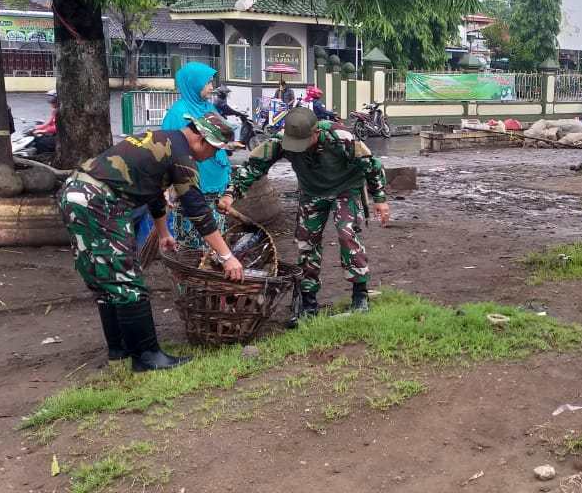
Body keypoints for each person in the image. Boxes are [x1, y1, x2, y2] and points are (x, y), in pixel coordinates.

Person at [57, 114, 242, 372]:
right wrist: (226, 256)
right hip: (99, 200)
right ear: (201, 139)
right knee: (127, 279)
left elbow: (153, 194)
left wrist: (164, 233)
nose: (212, 156)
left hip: (76, 193)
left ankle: (119, 350)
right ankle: (147, 356)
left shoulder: (163, 141)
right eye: (214, 149)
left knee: (106, 276)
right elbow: (197, 209)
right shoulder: (182, 156)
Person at [220, 108, 390, 323]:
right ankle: (308, 303)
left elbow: (371, 165)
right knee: (306, 243)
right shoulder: (281, 141)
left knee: (347, 234)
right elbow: (254, 166)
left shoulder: (340, 137)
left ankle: (360, 297)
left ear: (316, 132)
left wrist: (380, 198)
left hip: (345, 189)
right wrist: (231, 193)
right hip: (312, 192)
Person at [160, 62, 230, 249]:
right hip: (192, 185)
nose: (211, 87)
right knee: (194, 242)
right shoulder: (178, 114)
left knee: (215, 239)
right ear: (193, 84)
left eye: (211, 82)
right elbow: (170, 153)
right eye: (207, 82)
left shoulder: (209, 108)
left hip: (216, 186)